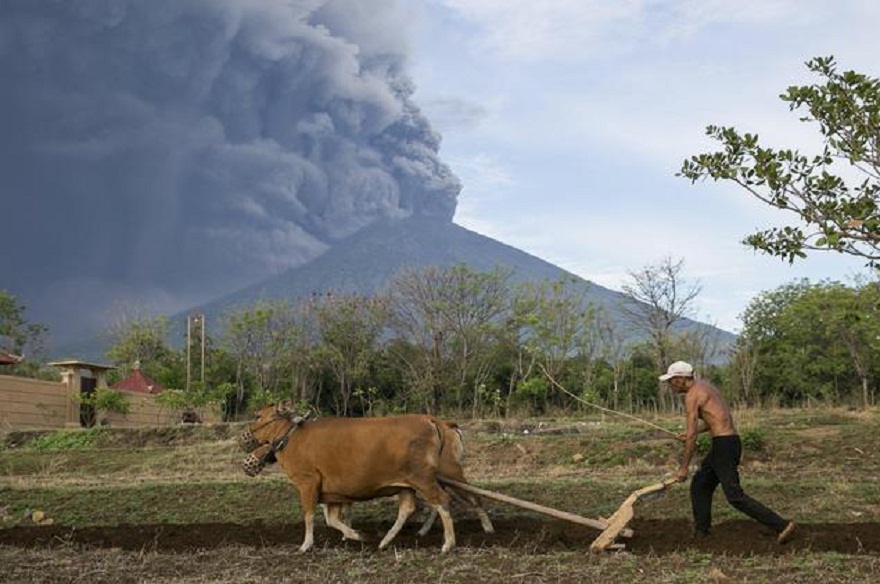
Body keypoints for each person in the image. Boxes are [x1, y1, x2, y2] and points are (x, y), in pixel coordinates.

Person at [659, 360, 795, 544]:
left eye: (672, 380)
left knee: (734, 496)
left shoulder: (692, 396)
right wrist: (693, 432)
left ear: (682, 378)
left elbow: (692, 439)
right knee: (700, 484)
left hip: (724, 446)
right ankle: (702, 533)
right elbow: (716, 419)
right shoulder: (706, 387)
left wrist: (683, 467)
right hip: (726, 444)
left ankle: (781, 525)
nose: (670, 384)